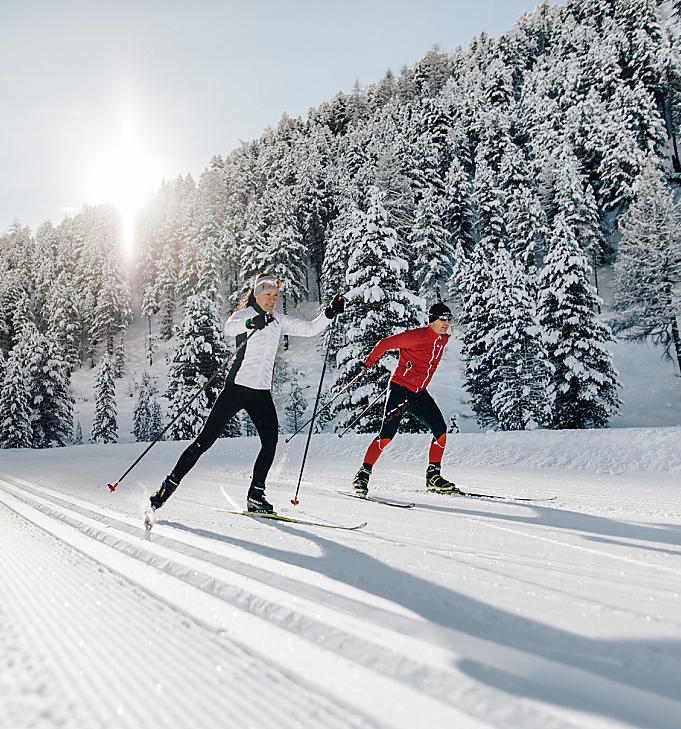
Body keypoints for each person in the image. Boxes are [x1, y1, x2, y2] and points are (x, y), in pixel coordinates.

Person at [149, 273, 344, 516]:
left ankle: (255, 495)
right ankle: (167, 487)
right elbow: (229, 327)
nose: (272, 299)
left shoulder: (278, 320)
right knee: (204, 442)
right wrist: (251, 324)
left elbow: (310, 329)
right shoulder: (244, 315)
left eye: (275, 295)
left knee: (270, 442)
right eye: (267, 295)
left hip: (261, 393)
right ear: (256, 294)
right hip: (236, 389)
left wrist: (329, 313)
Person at [351, 301, 460, 495]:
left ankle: (433, 477)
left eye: (449, 319)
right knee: (386, 436)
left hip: (419, 392)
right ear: (432, 319)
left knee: (440, 430)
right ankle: (362, 475)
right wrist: (367, 364)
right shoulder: (415, 336)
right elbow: (384, 344)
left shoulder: (443, 339)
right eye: (443, 318)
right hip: (401, 389)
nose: (447, 323)